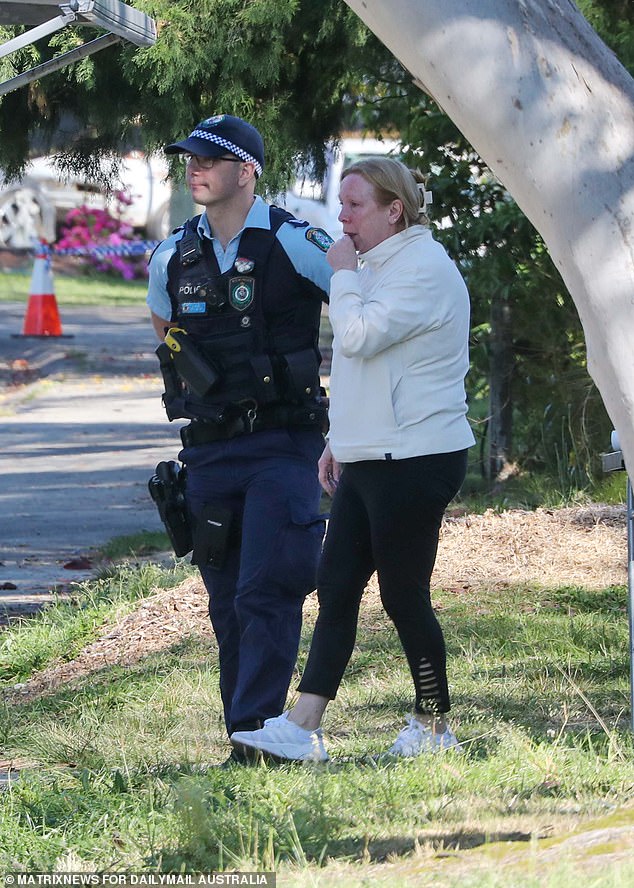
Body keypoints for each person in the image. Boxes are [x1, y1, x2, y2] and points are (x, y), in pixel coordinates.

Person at [230, 156, 475, 762]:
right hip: (372, 453)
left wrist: (340, 274)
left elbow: (359, 335)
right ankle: (303, 723)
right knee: (335, 585)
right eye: (341, 204)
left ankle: (436, 727)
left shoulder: (423, 268)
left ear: (396, 210)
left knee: (402, 594)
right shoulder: (379, 263)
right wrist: (340, 438)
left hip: (417, 455)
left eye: (355, 205)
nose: (342, 218)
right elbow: (367, 366)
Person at [146, 114, 333, 754]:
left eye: (208, 158)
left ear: (247, 171)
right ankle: (245, 728)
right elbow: (165, 332)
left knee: (267, 587)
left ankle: (256, 735)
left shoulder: (297, 241)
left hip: (285, 444)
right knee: (227, 603)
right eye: (187, 158)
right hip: (210, 452)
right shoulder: (172, 253)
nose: (193, 167)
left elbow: (364, 306)